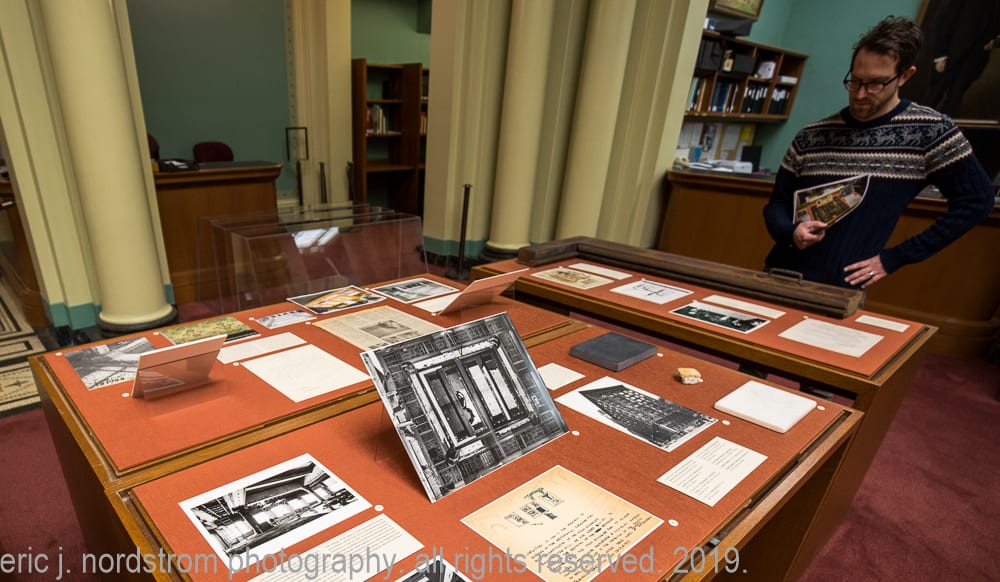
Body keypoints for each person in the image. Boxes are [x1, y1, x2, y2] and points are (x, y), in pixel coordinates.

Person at [763, 16, 995, 292]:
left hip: (840, 288)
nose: (861, 94)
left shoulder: (931, 132)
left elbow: (978, 201)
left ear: (905, 76)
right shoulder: (810, 136)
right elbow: (776, 205)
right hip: (778, 274)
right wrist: (791, 232)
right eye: (855, 81)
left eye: (875, 84)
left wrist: (894, 258)